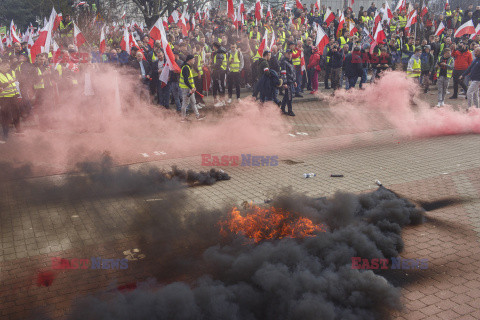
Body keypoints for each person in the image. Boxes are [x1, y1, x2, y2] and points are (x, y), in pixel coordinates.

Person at [0, 60, 21, 142]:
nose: (8, 67)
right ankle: (5, 135)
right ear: (1, 66)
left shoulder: (8, 74)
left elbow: (13, 85)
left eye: (8, 66)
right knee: (5, 116)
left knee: (16, 114)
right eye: (6, 66)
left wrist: (17, 95)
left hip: (13, 98)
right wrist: (9, 82)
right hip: (4, 99)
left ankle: (19, 131)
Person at [179, 55, 205, 121]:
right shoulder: (186, 68)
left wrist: (192, 87)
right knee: (185, 103)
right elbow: (186, 80)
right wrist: (191, 88)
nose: (194, 60)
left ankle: (197, 115)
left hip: (189, 89)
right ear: (190, 60)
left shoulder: (187, 67)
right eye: (193, 59)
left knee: (193, 102)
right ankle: (183, 118)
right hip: (187, 89)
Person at [280, 49, 296, 116]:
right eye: (288, 54)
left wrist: (294, 81)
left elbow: (293, 72)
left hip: (291, 81)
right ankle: (290, 110)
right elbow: (283, 73)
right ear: (285, 54)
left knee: (287, 96)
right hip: (287, 82)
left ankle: (282, 109)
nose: (290, 55)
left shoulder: (290, 61)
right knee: (289, 97)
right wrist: (285, 83)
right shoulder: (284, 62)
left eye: (290, 54)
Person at [211, 42, 227, 107]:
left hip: (219, 71)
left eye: (213, 47)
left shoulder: (219, 54)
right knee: (219, 85)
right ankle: (221, 101)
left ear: (215, 47)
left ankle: (221, 101)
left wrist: (211, 66)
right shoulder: (222, 52)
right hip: (220, 71)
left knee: (220, 86)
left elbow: (218, 64)